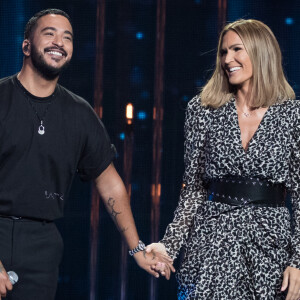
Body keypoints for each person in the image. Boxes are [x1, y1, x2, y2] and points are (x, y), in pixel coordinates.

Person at [0, 8, 174, 300]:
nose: (59, 42)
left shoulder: (79, 113)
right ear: (26, 45)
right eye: (49, 33)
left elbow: (110, 184)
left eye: (67, 37)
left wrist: (137, 249)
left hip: (42, 246)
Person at [146, 19, 300, 299]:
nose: (228, 59)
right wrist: (168, 246)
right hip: (211, 243)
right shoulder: (202, 110)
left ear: (260, 52)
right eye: (223, 52)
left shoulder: (293, 115)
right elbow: (193, 189)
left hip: (270, 246)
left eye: (236, 50)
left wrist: (297, 261)